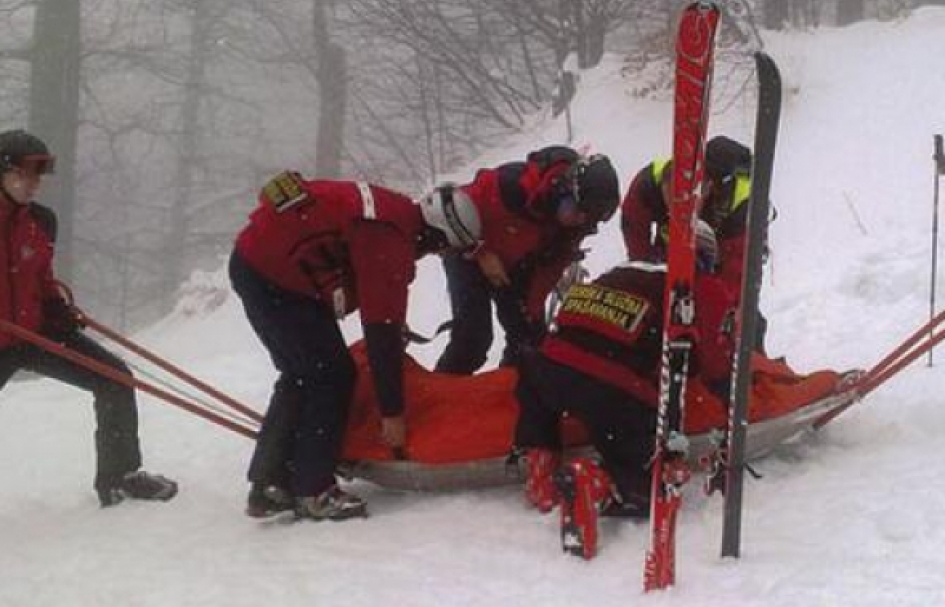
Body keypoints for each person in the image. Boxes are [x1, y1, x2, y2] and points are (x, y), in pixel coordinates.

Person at [231, 174, 482, 520]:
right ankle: (313, 489)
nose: (439, 255)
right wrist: (392, 413)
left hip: (261, 264)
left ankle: (271, 483)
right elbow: (381, 331)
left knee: (302, 373)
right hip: (276, 278)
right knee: (330, 375)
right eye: (445, 248)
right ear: (437, 234)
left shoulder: (392, 213)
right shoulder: (390, 237)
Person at [513, 222, 734, 558]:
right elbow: (716, 361)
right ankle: (597, 483)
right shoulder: (699, 286)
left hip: (546, 367)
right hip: (612, 384)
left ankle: (540, 471)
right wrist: (727, 395)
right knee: (655, 482)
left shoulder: (622, 269)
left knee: (540, 400)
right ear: (705, 258)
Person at [0, 129, 177, 507]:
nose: (34, 185)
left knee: (114, 379)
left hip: (32, 334)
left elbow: (41, 278)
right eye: (26, 175)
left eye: (38, 177)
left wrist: (55, 308)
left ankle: (120, 477)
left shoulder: (41, 221)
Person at [434, 147, 620, 374]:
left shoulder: (577, 224)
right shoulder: (509, 185)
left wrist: (530, 316)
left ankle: (511, 396)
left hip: (519, 261)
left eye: (587, 218)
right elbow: (452, 210)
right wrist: (480, 252)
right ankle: (441, 396)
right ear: (565, 190)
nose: (578, 221)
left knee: (529, 343)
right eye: (577, 211)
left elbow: (549, 270)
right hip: (467, 250)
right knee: (473, 340)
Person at [620, 135, 754, 289]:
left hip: (727, 246)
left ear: (706, 189)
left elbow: (735, 280)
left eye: (681, 206)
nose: (673, 211)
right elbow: (634, 234)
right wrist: (647, 279)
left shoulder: (739, 206)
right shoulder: (647, 184)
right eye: (669, 203)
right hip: (670, 250)